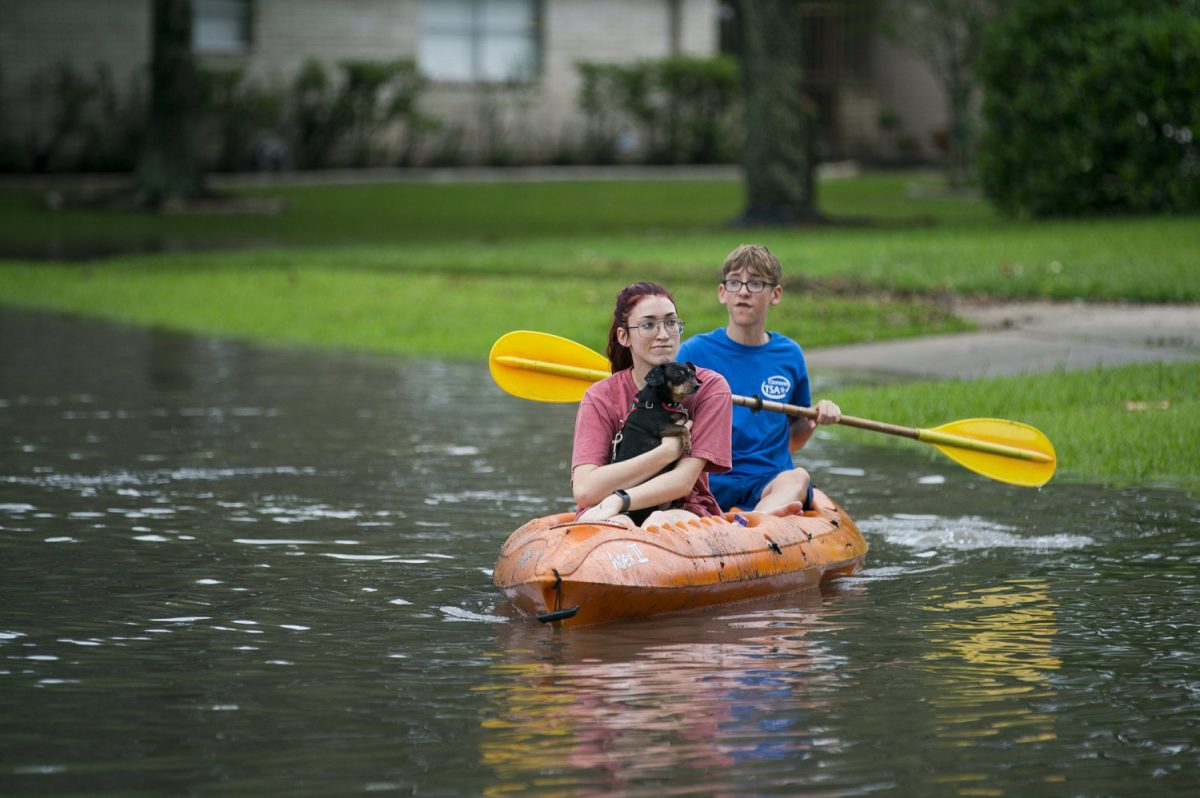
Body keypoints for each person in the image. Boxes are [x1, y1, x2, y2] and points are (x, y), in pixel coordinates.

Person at [678, 244, 840, 515]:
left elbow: (793, 441)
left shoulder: (789, 354)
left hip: (769, 480)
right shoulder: (694, 353)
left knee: (798, 477)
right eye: (734, 283)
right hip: (710, 479)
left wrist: (814, 418)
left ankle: (751, 524)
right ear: (722, 293)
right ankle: (748, 521)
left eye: (755, 283)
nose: (743, 291)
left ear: (775, 294)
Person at [572, 282, 732, 525]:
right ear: (624, 336)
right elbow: (585, 490)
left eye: (671, 322)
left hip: (681, 507)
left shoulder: (709, 387)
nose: (664, 335)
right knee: (618, 525)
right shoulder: (599, 396)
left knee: (658, 522)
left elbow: (682, 482)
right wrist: (666, 452)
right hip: (607, 509)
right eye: (648, 325)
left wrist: (621, 499)